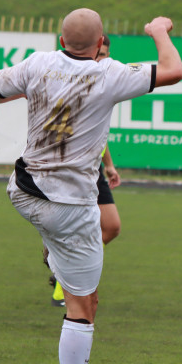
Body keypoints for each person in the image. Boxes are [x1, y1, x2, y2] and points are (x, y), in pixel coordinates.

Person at [0, 9, 182, 364]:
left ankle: (54, 259)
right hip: (70, 207)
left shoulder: (38, 63)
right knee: (83, 308)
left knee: (65, 250)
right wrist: (158, 31)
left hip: (23, 191)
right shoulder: (109, 74)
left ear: (59, 39)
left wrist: (35, 91)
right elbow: (173, 71)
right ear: (101, 40)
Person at [49, 35, 124, 307]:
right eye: (98, 54)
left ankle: (63, 269)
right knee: (66, 232)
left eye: (104, 55)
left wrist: (109, 165)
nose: (100, 59)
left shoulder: (105, 83)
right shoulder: (68, 82)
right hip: (66, 171)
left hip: (93, 171)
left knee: (112, 227)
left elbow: (98, 134)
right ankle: (64, 280)